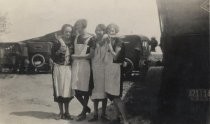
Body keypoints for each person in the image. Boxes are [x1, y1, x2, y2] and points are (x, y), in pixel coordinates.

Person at [103, 23, 130, 124]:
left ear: (116, 30)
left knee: (117, 97)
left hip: (116, 71)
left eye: (113, 29)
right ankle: (116, 118)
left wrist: (109, 45)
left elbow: (115, 56)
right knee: (112, 96)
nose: (111, 30)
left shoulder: (118, 41)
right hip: (109, 70)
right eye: (109, 29)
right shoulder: (108, 41)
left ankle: (126, 120)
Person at [71, 19, 95, 121]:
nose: (77, 28)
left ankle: (83, 112)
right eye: (76, 27)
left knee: (85, 90)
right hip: (76, 65)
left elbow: (91, 55)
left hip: (85, 66)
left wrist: (77, 56)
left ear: (84, 26)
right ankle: (86, 108)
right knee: (75, 90)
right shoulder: (76, 37)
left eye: (78, 26)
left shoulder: (91, 39)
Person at [50, 24, 74, 120]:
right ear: (63, 32)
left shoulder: (72, 42)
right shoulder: (57, 42)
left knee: (67, 90)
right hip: (58, 68)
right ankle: (61, 112)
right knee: (59, 90)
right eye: (66, 31)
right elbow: (52, 56)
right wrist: (60, 50)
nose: (68, 33)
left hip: (68, 68)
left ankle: (67, 113)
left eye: (70, 31)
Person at [88, 24, 109, 122]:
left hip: (105, 69)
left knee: (104, 93)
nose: (98, 32)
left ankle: (103, 114)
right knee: (95, 92)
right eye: (97, 30)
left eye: (100, 30)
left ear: (104, 31)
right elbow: (91, 54)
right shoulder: (93, 40)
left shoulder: (108, 40)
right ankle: (95, 114)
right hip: (95, 68)